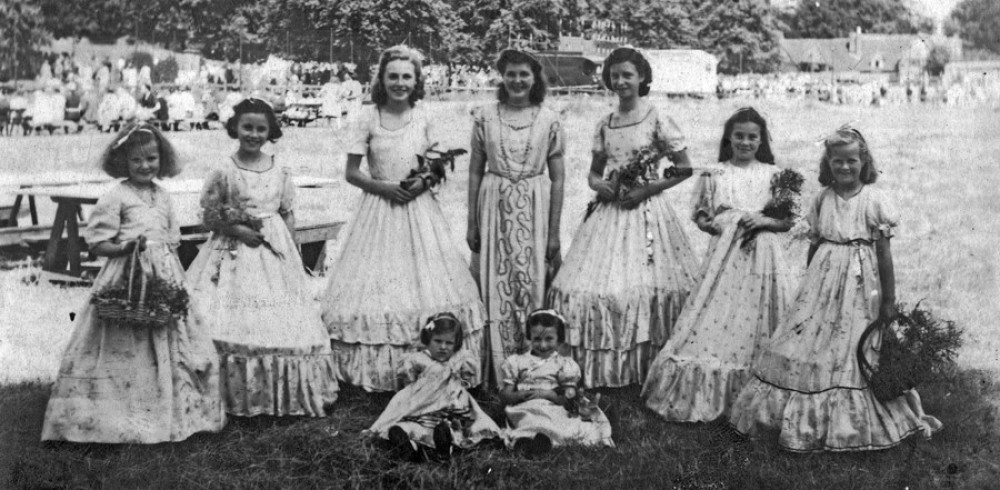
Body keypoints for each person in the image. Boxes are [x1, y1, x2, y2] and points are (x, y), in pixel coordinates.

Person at [729, 127, 942, 452]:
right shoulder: (822, 199)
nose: (845, 167)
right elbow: (815, 246)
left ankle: (861, 417)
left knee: (858, 345)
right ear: (828, 163)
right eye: (838, 161)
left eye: (852, 161)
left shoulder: (874, 200)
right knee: (813, 343)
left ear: (864, 161)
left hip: (861, 285)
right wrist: (808, 289)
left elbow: (884, 255)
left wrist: (888, 300)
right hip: (823, 283)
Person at [41, 122, 225, 443]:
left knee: (170, 334)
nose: (144, 166)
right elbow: (98, 243)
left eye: (151, 159)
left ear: (161, 159)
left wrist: (173, 276)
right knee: (125, 338)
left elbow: (172, 240)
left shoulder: (163, 196)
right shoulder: (116, 196)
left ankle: (172, 407)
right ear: (122, 161)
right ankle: (116, 412)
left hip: (164, 275)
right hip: (126, 274)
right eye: (136, 160)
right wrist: (125, 248)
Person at [321, 46, 485, 393]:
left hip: (419, 208)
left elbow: (438, 163)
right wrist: (386, 188)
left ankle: (438, 356)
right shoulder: (368, 117)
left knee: (428, 280)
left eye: (406, 76)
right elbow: (352, 172)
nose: (399, 83)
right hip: (380, 208)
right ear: (381, 79)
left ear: (416, 81)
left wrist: (420, 183)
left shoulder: (425, 116)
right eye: (392, 76)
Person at [547, 47, 700, 388]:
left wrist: (647, 190)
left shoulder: (656, 118)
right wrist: (600, 186)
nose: (621, 82)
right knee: (598, 286)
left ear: (642, 77)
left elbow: (685, 168)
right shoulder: (606, 123)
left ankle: (650, 365)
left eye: (628, 75)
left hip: (646, 210)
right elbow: (593, 174)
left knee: (647, 285)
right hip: (610, 211)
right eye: (615, 75)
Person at [641, 107, 796, 422]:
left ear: (761, 140)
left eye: (752, 137)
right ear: (729, 137)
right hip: (725, 257)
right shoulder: (715, 173)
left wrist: (763, 219)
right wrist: (713, 224)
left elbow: (787, 222)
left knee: (757, 313)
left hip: (762, 256)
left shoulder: (773, 174)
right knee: (718, 312)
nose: (745, 142)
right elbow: (701, 213)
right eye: (739, 135)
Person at [186, 98, 338, 417]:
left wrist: (291, 251)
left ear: (270, 132)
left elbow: (287, 212)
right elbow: (209, 215)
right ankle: (233, 393)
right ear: (235, 128)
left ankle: (274, 393)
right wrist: (238, 230)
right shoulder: (224, 169)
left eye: (260, 129)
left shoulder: (279, 168)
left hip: (274, 246)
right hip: (233, 252)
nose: (253, 135)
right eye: (247, 127)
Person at [466, 49, 565, 387]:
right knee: (494, 281)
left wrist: (554, 233)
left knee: (531, 280)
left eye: (524, 74)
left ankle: (535, 370)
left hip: (534, 206)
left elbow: (559, 178)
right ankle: (497, 372)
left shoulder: (549, 119)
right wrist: (471, 222)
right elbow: (475, 172)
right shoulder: (484, 117)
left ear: (535, 78)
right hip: (494, 206)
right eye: (511, 73)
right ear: (502, 76)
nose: (518, 80)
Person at [365, 313, 503, 462]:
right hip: (421, 413)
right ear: (428, 341)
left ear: (456, 344)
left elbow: (468, 376)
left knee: (448, 429)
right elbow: (408, 381)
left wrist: (459, 371)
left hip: (447, 412)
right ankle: (409, 448)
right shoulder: (420, 358)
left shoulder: (458, 359)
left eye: (449, 343)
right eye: (438, 341)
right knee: (404, 428)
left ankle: (443, 448)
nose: (443, 347)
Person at [500, 309, 615, 454]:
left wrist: (548, 394)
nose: (542, 345)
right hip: (526, 407)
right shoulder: (517, 361)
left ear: (559, 339)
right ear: (530, 337)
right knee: (529, 421)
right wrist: (519, 395)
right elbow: (505, 395)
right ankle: (529, 441)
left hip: (553, 406)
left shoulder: (562, 364)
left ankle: (543, 442)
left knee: (561, 425)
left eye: (549, 339)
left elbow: (567, 398)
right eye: (537, 339)